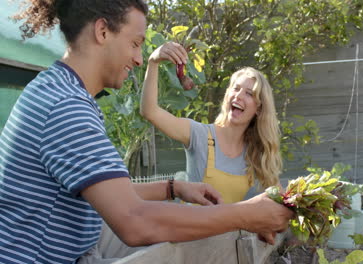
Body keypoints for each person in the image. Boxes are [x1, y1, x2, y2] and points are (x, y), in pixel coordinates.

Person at [0, 1, 293, 263]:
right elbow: (134, 222)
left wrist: (174, 189)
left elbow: (110, 192)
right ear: (102, 31)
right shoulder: (66, 108)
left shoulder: (60, 91)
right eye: (135, 43)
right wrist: (248, 215)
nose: (139, 58)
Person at [140, 43, 283, 204]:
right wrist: (153, 62)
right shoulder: (198, 134)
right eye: (235, 89)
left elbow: (279, 199)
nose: (239, 96)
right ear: (227, 95)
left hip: (229, 229)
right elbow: (149, 111)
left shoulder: (255, 153)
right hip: (188, 228)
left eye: (249, 94)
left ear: (258, 108)